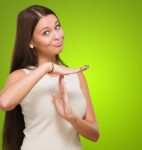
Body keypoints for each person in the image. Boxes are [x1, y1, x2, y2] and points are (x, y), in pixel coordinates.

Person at [0, 5, 100, 150]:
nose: (58, 36)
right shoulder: (21, 76)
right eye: (46, 33)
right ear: (30, 42)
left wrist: (71, 118)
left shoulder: (76, 76)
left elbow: (94, 135)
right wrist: (47, 67)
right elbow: (4, 103)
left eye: (57, 27)